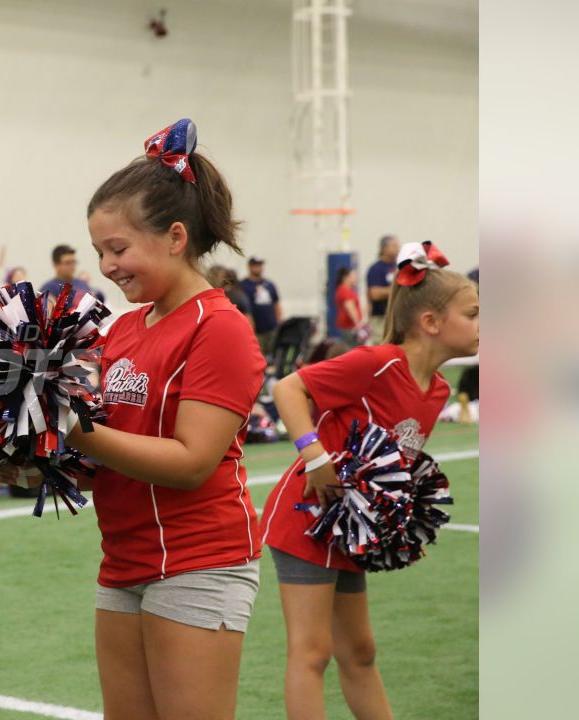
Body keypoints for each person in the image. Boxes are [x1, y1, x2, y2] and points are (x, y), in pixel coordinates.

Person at [59, 119, 267, 719]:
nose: (106, 266)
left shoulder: (219, 327)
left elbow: (191, 462)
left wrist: (75, 429)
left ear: (176, 236)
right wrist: (36, 451)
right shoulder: (123, 329)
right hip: (124, 558)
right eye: (100, 251)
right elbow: (104, 453)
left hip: (200, 558)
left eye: (118, 249)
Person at [259, 241, 478, 719]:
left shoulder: (438, 389)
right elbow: (288, 388)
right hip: (306, 518)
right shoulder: (377, 362)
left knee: (360, 651)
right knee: (312, 652)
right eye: (474, 314)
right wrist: (312, 453)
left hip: (349, 527)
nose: (482, 325)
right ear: (431, 323)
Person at [240, 256, 283, 354]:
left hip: (271, 329)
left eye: (260, 265)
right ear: (249, 267)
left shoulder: (269, 284)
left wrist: (279, 323)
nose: (258, 268)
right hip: (255, 330)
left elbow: (276, 304)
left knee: (273, 354)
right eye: (255, 265)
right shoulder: (243, 285)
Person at [365, 234, 400, 344]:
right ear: (384, 248)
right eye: (394, 246)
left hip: (396, 316)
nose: (398, 248)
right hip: (380, 318)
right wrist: (397, 289)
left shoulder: (399, 267)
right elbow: (374, 294)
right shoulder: (376, 269)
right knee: (382, 345)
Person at [333, 266, 367, 346]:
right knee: (351, 348)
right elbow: (350, 307)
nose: (355, 278)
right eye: (353, 276)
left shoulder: (346, 290)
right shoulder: (344, 291)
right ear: (345, 277)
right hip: (349, 326)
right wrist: (357, 323)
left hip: (349, 326)